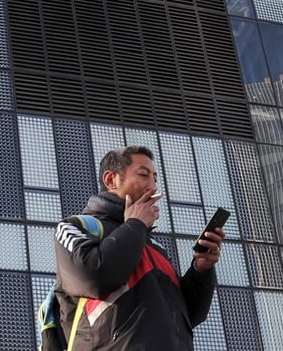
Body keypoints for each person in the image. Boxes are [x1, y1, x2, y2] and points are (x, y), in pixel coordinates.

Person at [52, 145, 224, 350]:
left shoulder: (153, 245)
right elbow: (93, 277)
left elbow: (186, 316)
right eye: (144, 175)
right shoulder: (76, 226)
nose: (153, 186)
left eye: (155, 178)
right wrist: (135, 224)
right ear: (111, 180)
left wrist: (201, 270)